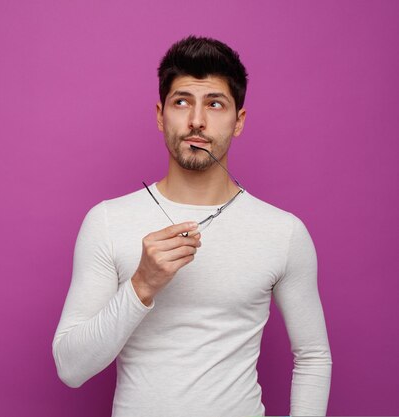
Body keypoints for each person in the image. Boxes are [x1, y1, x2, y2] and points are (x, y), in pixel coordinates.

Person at [52, 35, 332, 417]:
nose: (197, 120)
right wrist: (141, 285)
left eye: (215, 104)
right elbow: (71, 369)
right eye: (182, 101)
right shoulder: (107, 221)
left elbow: (313, 356)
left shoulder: (284, 233)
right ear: (159, 115)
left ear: (238, 121)